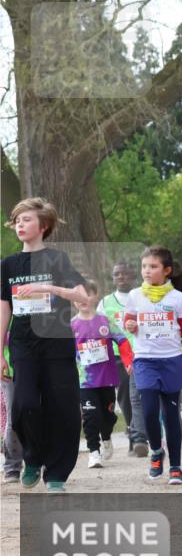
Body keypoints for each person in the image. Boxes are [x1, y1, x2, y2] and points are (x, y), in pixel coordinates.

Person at [0, 198, 88, 492]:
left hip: (56, 344)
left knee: (62, 408)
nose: (20, 225)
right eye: (17, 221)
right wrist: (0, 353)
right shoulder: (7, 265)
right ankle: (33, 458)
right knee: (24, 404)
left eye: (26, 219)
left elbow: (82, 296)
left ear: (44, 225)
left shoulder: (58, 260)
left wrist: (47, 287)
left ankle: (56, 474)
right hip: (23, 344)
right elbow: (4, 310)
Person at [125, 246, 182, 485]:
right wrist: (130, 325)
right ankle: (157, 452)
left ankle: (176, 467)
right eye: (144, 266)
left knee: (170, 415)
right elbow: (128, 321)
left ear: (167, 270)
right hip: (145, 361)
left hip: (172, 362)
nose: (147, 271)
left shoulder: (177, 298)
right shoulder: (135, 295)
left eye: (153, 266)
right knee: (148, 412)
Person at [73, 281, 134, 469]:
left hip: (106, 379)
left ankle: (106, 436)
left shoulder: (105, 321)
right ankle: (94, 452)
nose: (83, 299)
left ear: (96, 296)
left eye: (87, 294)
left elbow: (122, 341)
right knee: (90, 417)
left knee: (107, 417)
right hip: (85, 381)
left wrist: (128, 361)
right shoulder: (71, 326)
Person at [98, 260, 149, 456]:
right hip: (118, 356)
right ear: (112, 278)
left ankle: (142, 436)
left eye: (125, 273)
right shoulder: (105, 302)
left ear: (133, 276)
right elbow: (98, 329)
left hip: (142, 352)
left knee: (143, 395)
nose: (121, 277)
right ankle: (134, 437)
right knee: (126, 397)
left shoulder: (142, 297)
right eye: (116, 274)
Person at [1, 333, 24, 483]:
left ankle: (38, 460)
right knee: (13, 418)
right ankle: (12, 466)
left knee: (37, 413)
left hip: (34, 366)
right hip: (8, 370)